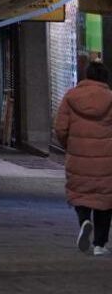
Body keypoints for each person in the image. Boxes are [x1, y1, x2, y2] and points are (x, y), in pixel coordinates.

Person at [56, 59, 112, 254]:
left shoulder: (71, 97)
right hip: (106, 159)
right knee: (104, 200)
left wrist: (70, 145)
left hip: (78, 157)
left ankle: (84, 221)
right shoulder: (110, 98)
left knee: (80, 194)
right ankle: (99, 245)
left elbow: (60, 128)